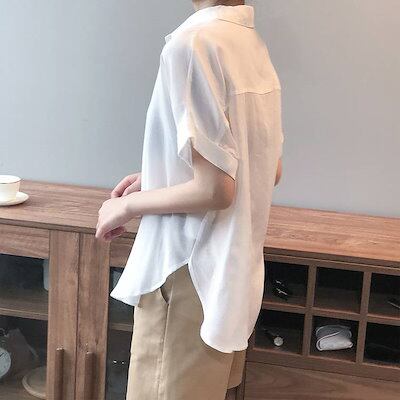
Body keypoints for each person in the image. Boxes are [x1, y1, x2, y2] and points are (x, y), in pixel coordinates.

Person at [96, 0, 284, 399]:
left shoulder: (193, 43)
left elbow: (216, 190)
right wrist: (158, 176)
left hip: (186, 271)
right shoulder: (248, 42)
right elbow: (267, 168)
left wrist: (125, 206)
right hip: (231, 272)